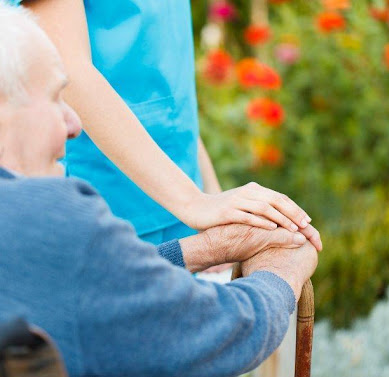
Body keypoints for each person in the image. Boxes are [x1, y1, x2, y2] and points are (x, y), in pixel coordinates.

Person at [0, 3, 319, 376]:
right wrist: (282, 271)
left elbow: (63, 288)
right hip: (127, 207)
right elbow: (217, 332)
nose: (73, 125)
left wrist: (199, 248)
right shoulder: (50, 223)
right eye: (56, 99)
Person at [22, 0, 322, 248]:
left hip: (178, 204)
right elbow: (71, 72)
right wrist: (194, 202)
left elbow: (169, 92)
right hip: (104, 211)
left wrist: (211, 197)